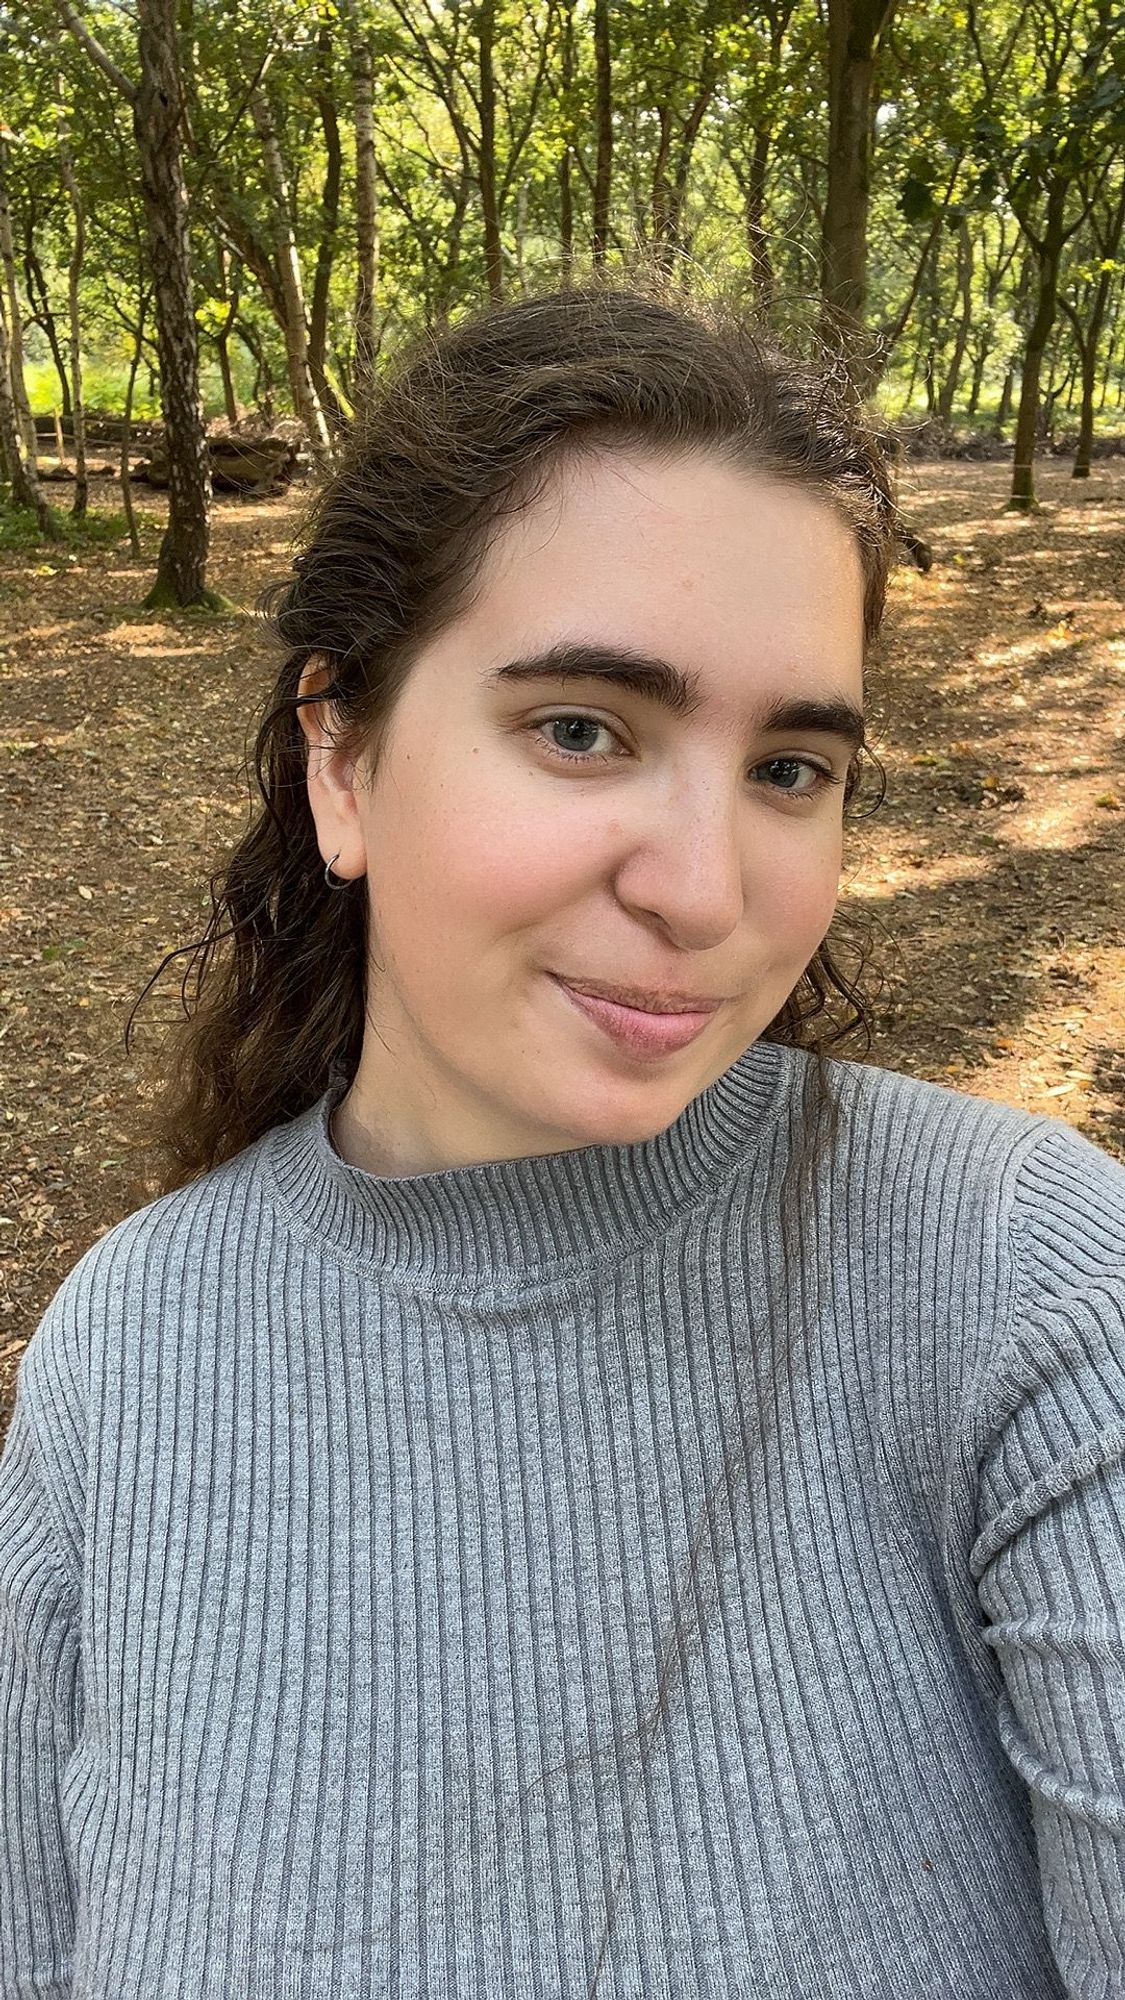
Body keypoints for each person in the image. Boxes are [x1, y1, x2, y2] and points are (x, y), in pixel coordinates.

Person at [2, 280, 1122, 2000]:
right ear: (345, 762)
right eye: (584, 730)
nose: (705, 891)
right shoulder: (124, 1358)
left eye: (790, 768)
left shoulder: (1018, 1283)